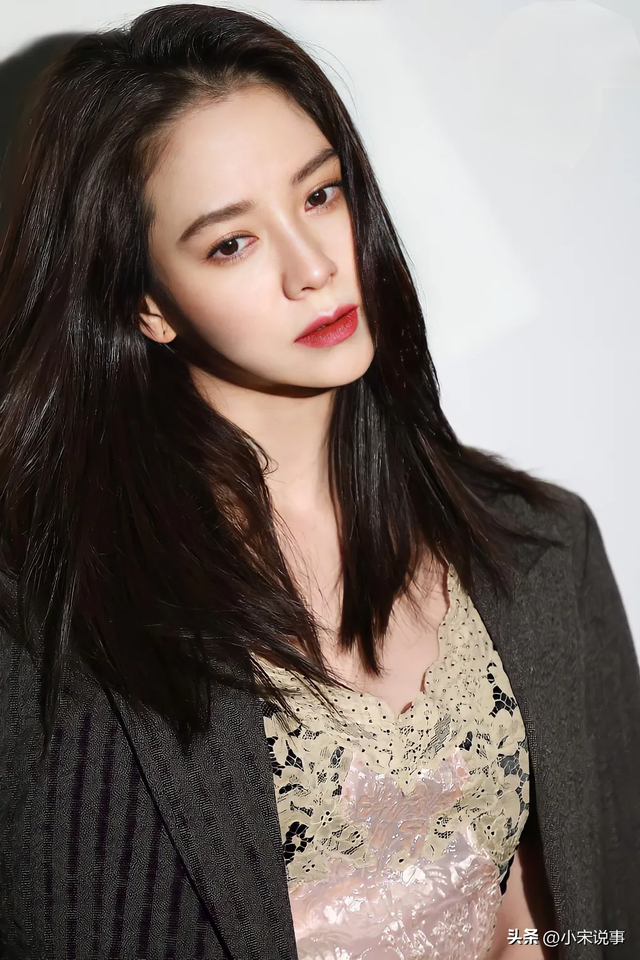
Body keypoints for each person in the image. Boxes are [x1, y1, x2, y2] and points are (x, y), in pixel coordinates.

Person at [0, 5, 638, 959]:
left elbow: (596, 908)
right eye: (231, 242)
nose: (313, 269)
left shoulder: (543, 546)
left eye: (320, 195)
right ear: (148, 304)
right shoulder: (49, 624)